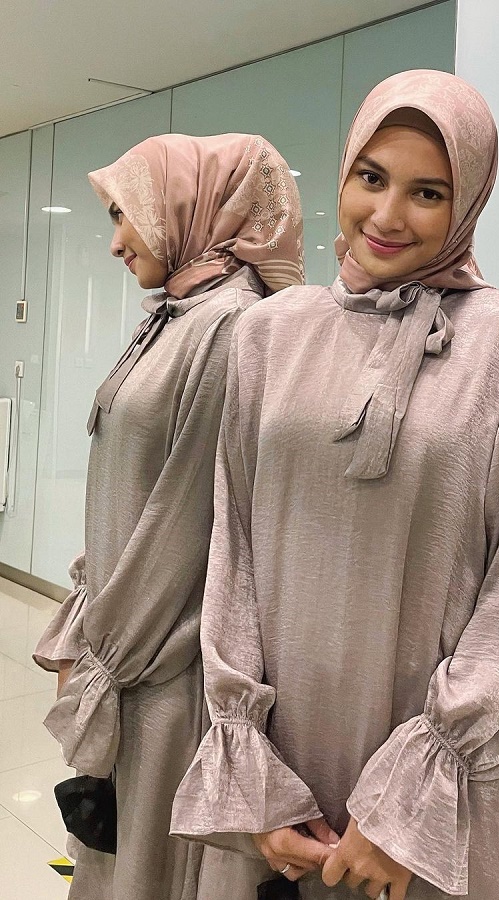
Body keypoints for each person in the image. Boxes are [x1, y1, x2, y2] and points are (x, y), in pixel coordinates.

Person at [172, 70, 499, 900]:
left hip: (429, 771)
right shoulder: (268, 332)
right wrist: (250, 769)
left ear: (468, 202)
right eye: (371, 177)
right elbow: (233, 544)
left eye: (428, 193)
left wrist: (414, 797)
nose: (388, 216)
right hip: (286, 750)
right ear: (344, 172)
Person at [33, 132, 305, 900]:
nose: (116, 242)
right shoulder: (176, 314)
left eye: (127, 216)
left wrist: (107, 655)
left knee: (150, 873)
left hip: (166, 669)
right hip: (130, 658)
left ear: (190, 208)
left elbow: (184, 529)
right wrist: (87, 629)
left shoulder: (230, 325)